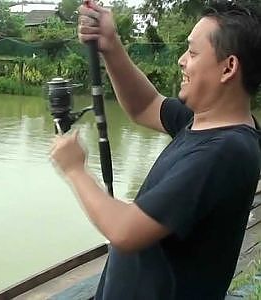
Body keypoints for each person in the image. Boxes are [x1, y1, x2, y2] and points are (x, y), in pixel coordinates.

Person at [50, 1, 261, 299]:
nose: (181, 60)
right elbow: (144, 105)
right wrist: (111, 46)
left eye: (193, 52)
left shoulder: (225, 152)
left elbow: (124, 231)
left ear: (228, 67)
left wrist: (75, 170)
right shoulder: (203, 121)